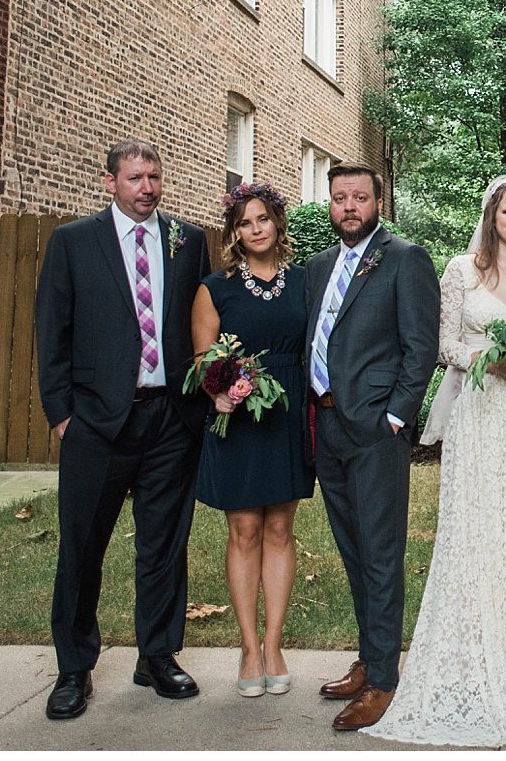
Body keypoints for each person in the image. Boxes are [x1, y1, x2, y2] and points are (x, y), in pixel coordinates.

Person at [365, 175, 506, 746]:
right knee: (484, 528)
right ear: (492, 216)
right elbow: (443, 345)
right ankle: (489, 652)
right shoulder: (461, 271)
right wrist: (497, 361)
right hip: (482, 412)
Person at [36, 139, 212, 720]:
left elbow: (203, 322)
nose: (147, 188)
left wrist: (202, 399)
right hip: (97, 421)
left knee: (163, 545)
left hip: (171, 418)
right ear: (110, 182)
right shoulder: (74, 242)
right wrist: (62, 413)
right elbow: (52, 330)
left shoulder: (187, 241)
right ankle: (73, 668)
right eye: (136, 178)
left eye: (154, 177)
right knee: (82, 546)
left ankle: (156, 655)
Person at [304, 163, 440, 732]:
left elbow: (421, 347)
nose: (349, 207)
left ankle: (384, 680)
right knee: (353, 550)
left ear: (377, 202)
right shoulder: (318, 267)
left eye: (359, 197)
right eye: (340, 198)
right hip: (327, 427)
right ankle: (368, 657)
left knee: (381, 555)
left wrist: (395, 417)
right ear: (330, 204)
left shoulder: (405, 259)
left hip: (376, 432)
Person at [189, 179, 313, 697]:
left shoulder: (305, 281)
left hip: (287, 413)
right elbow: (202, 359)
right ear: (234, 232)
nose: (256, 229)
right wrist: (218, 390)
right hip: (239, 419)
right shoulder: (214, 288)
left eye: (263, 219)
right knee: (244, 530)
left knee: (280, 528)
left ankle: (275, 644)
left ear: (277, 223)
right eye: (245, 222)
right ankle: (247, 648)